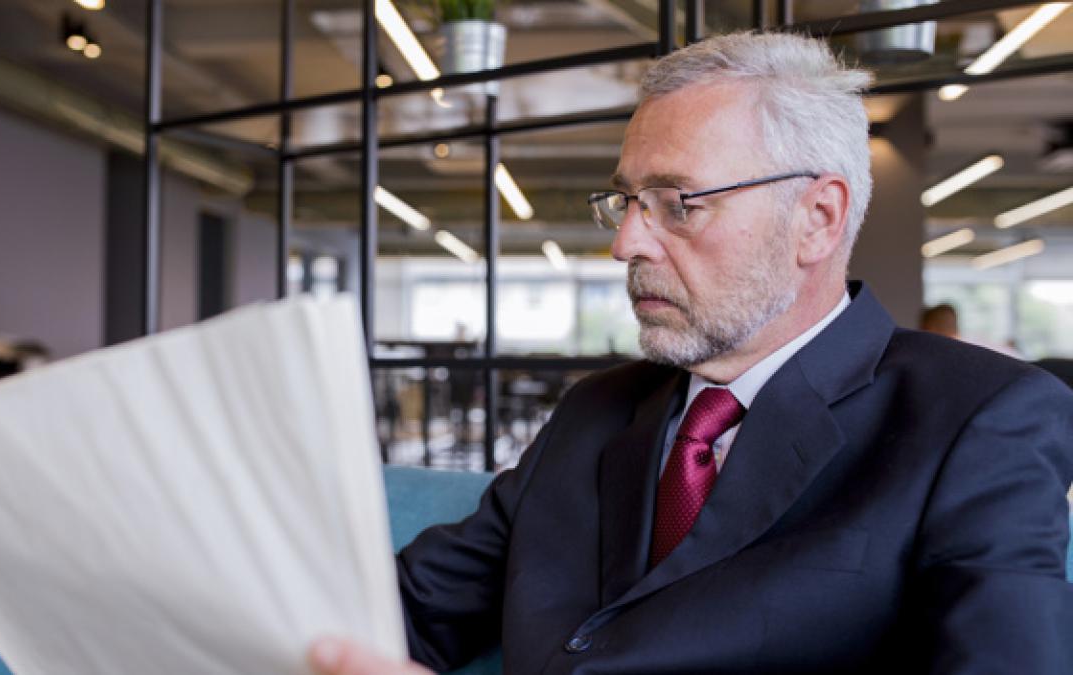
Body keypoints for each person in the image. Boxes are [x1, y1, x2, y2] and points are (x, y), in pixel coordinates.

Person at [313, 31, 1073, 674]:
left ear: (817, 217)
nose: (625, 243)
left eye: (679, 203)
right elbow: (394, 610)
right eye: (628, 201)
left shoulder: (981, 419)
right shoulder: (595, 410)